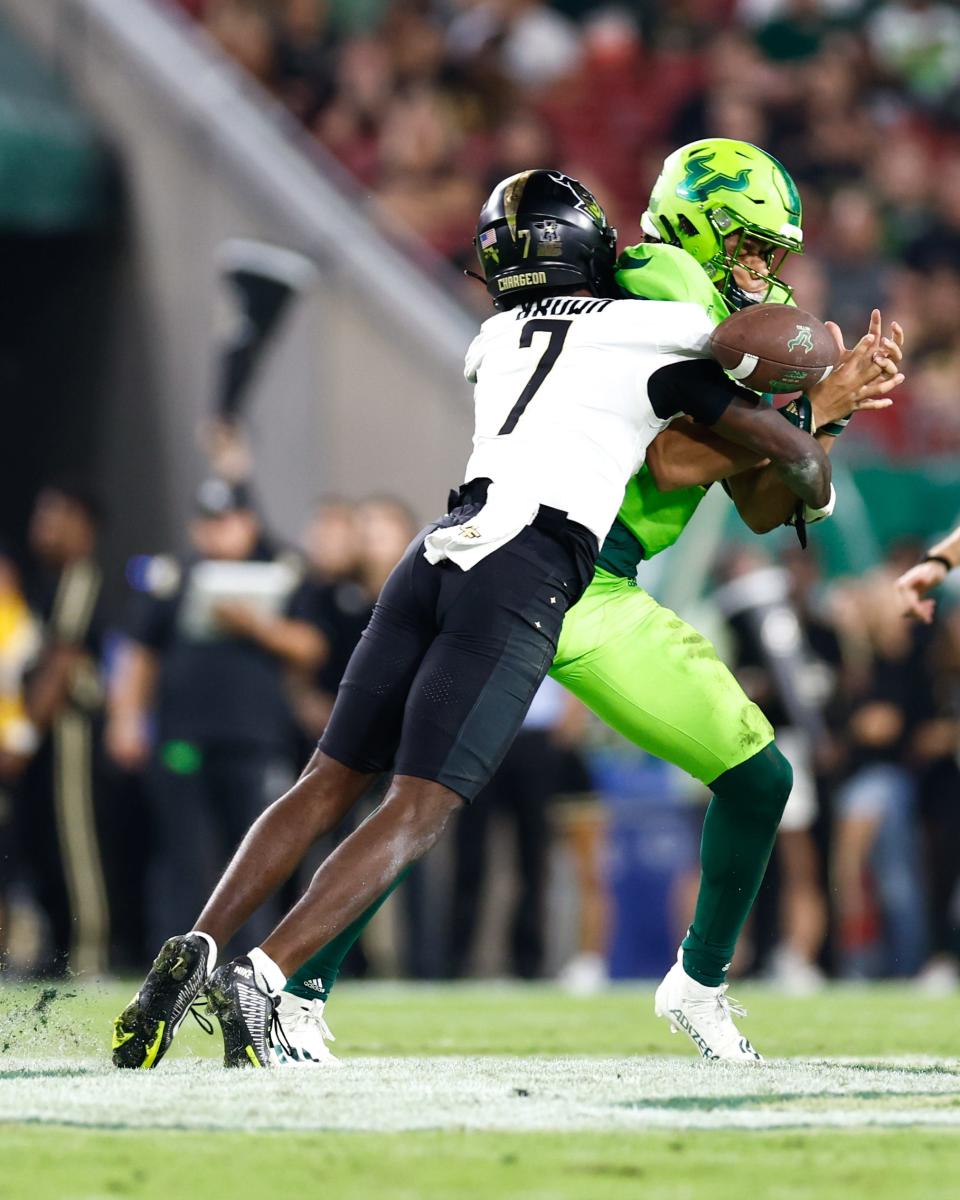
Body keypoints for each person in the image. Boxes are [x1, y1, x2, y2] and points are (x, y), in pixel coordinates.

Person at [113, 166, 834, 1069]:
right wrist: (814, 417)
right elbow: (760, 414)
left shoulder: (493, 335)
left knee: (327, 780)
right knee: (419, 806)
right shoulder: (663, 325)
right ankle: (270, 978)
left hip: (439, 549)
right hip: (534, 565)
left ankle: (202, 947)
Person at [105, 479, 328, 953]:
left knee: (257, 852)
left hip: (254, 741)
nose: (217, 533)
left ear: (248, 523)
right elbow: (139, 652)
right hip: (183, 739)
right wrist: (126, 719)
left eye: (227, 521)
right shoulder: (174, 575)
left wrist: (256, 626)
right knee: (183, 850)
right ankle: (170, 958)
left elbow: (311, 647)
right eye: (208, 522)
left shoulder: (282, 572)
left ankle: (249, 961)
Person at [16, 483, 110, 976]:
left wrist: (22, 735)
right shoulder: (42, 581)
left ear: (82, 526)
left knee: (75, 841)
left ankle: (88, 954)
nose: (42, 529)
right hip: (44, 736)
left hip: (71, 732)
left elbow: (62, 660)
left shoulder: (81, 578)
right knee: (41, 843)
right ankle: (53, 949)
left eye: (54, 517)